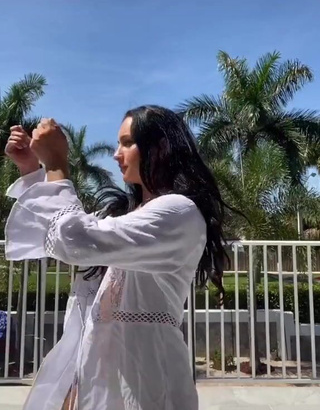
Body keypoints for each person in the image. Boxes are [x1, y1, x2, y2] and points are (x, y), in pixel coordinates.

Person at [5, 105, 228, 410]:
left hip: (145, 385)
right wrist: (33, 170)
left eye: (126, 142)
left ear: (159, 147)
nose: (115, 153)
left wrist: (56, 164)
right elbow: (53, 233)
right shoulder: (126, 215)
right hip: (90, 381)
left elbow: (73, 239)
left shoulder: (178, 212)